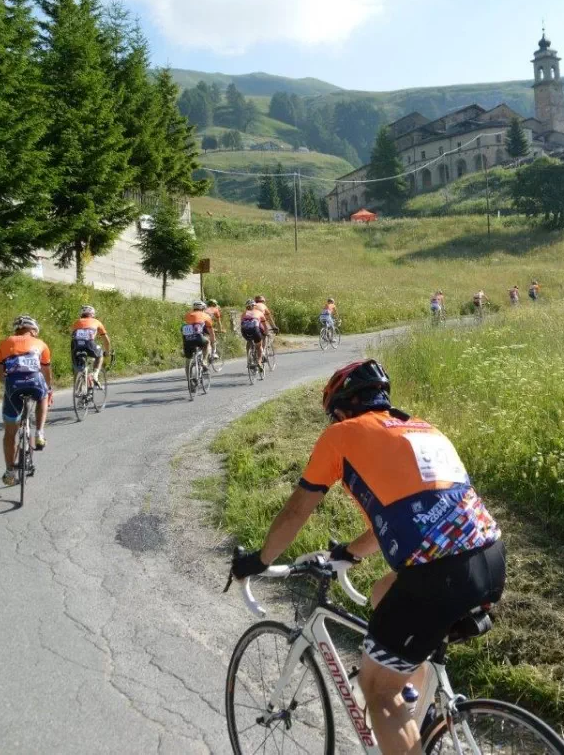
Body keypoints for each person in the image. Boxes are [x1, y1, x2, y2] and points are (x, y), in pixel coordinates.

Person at [230, 360, 505, 755]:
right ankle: (421, 704)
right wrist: (349, 553)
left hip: (438, 575)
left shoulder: (342, 435)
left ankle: (397, 703)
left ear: (340, 410)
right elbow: (410, 512)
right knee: (382, 592)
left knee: (379, 691)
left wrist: (260, 560)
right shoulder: (423, 430)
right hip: (491, 557)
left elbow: (295, 513)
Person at [0, 315, 53, 486]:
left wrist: (8, 385)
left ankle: (10, 472)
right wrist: (49, 389)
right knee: (43, 396)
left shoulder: (5, 342)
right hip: (35, 381)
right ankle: (40, 433)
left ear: (17, 329)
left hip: (13, 385)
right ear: (33, 330)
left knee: (10, 433)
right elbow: (46, 371)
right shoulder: (41, 343)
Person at [70, 305, 110, 386]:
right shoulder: (96, 322)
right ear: (92, 314)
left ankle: (78, 385)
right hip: (89, 344)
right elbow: (106, 340)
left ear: (81, 314)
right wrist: (107, 352)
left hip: (75, 344)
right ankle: (95, 375)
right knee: (100, 354)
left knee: (76, 365)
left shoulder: (76, 322)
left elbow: (73, 334)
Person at [183, 301, 216, 373]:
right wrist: (213, 342)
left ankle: (189, 380)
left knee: (188, 358)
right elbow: (211, 332)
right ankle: (204, 361)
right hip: (198, 338)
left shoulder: (187, 315)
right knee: (207, 343)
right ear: (203, 308)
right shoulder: (206, 316)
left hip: (186, 340)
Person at [240, 300, 267, 368]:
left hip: (244, 331)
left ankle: (249, 360)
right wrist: (265, 333)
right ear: (255, 306)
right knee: (259, 347)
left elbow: (242, 324)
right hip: (255, 330)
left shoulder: (244, 313)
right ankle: (259, 362)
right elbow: (264, 326)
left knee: (249, 341)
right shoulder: (259, 312)